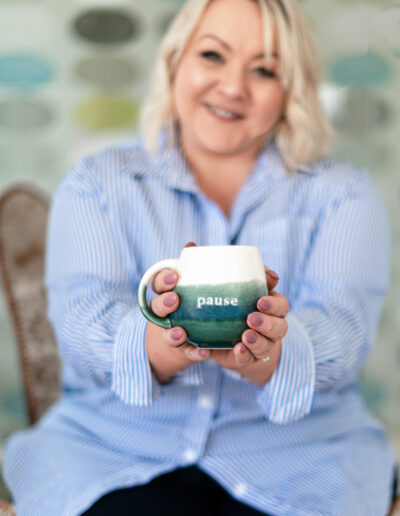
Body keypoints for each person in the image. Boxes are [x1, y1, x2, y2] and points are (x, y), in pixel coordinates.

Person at [2, 0, 398, 514]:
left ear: (291, 90)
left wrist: (273, 355)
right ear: (174, 63)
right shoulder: (97, 182)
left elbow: (345, 330)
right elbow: (80, 321)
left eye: (264, 69)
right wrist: (158, 344)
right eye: (213, 55)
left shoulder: (344, 194)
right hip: (111, 451)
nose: (233, 86)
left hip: (301, 459)